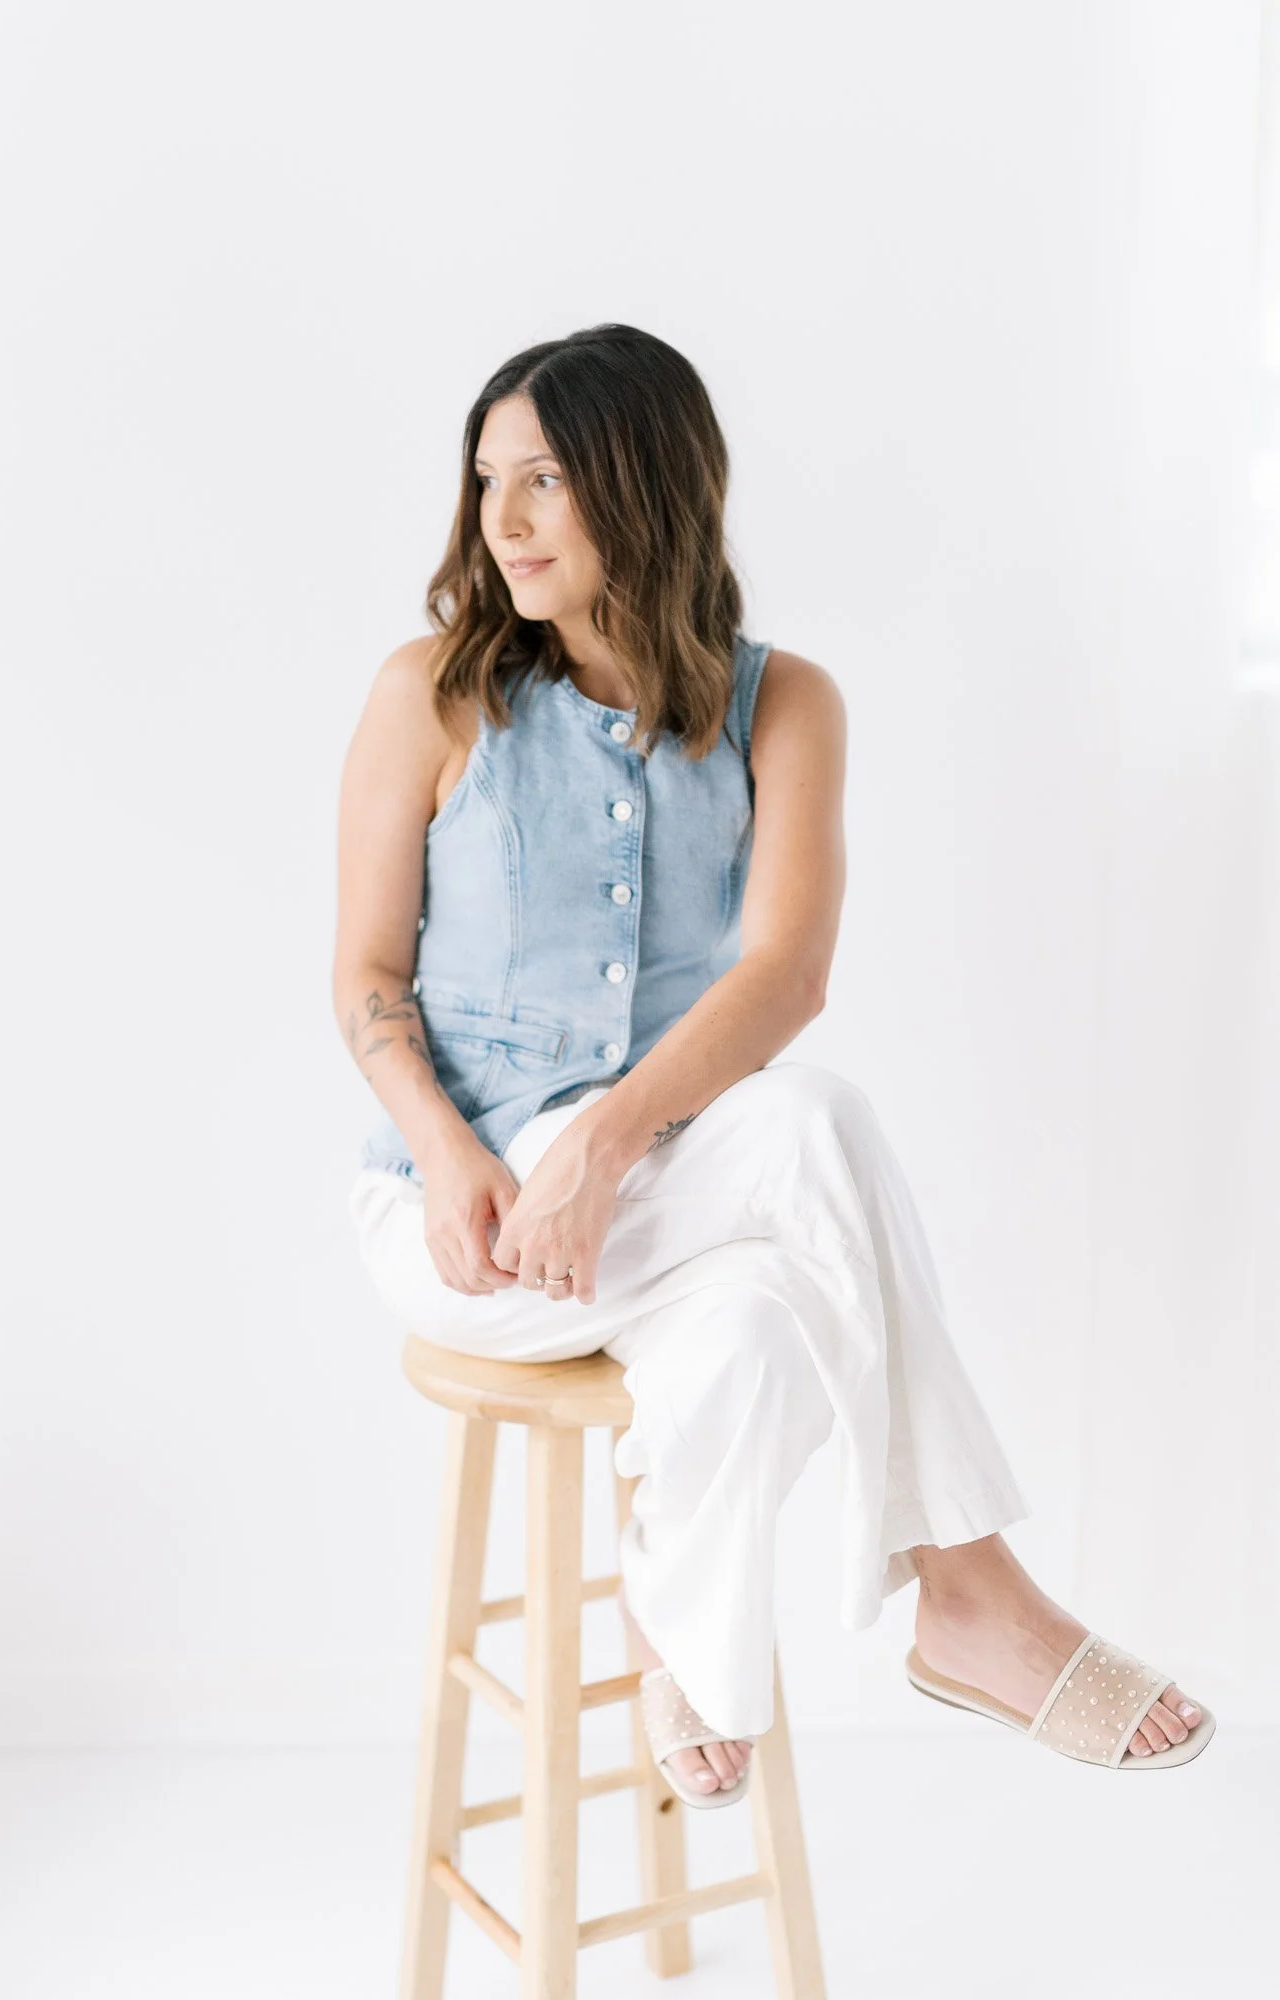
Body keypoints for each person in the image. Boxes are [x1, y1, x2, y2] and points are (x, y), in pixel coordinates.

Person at [335, 323, 1213, 1803]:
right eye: (488, 478)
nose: (503, 518)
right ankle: (971, 1592)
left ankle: (690, 1628)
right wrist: (453, 1156)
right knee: (818, 1132)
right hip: (467, 1224)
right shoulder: (436, 689)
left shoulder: (782, 703)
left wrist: (606, 1151)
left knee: (757, 1305)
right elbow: (364, 980)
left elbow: (787, 977)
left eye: (544, 476)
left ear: (647, 478)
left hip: (677, 1194)